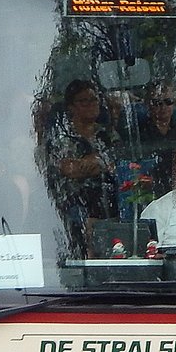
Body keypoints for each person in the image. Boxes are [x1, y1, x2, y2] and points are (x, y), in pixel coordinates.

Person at [43, 79, 118, 256]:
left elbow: (117, 165)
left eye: (94, 100)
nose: (91, 105)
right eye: (84, 101)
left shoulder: (106, 134)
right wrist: (101, 162)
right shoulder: (61, 136)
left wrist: (89, 163)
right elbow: (70, 169)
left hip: (110, 202)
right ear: (71, 107)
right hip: (75, 205)